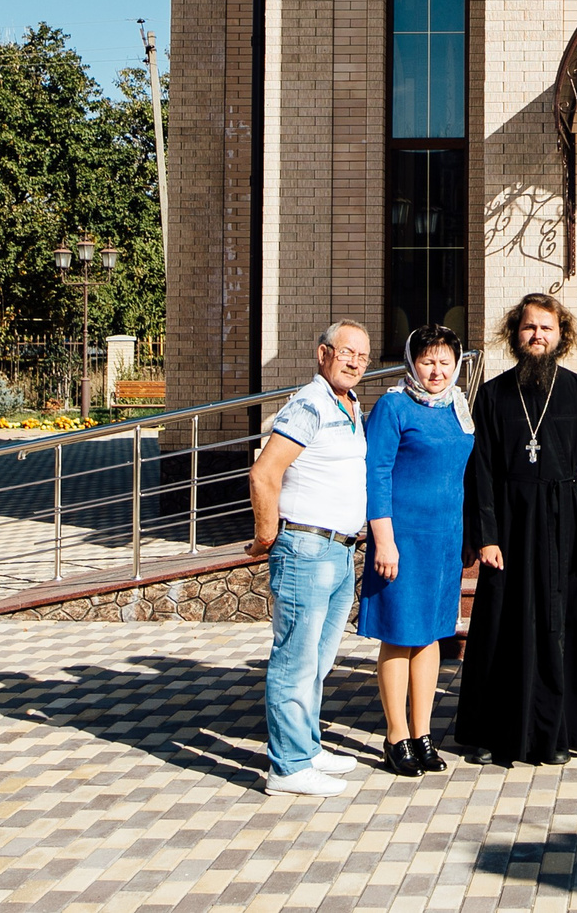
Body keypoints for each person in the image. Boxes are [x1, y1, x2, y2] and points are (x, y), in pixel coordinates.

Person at [453, 293, 577, 766]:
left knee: (559, 622)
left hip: (565, 519)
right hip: (509, 517)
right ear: (514, 334)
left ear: (562, 336)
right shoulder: (495, 393)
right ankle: (491, 731)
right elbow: (479, 469)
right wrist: (486, 535)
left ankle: (556, 733)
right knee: (501, 620)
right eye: (528, 328)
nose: (537, 335)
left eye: (546, 328)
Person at [245, 320, 372, 798]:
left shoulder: (349, 404)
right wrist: (265, 534)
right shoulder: (309, 403)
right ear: (323, 354)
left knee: (317, 661)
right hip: (306, 547)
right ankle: (288, 767)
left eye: (362, 354)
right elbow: (264, 473)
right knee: (295, 659)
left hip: (340, 549)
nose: (355, 361)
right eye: (346, 352)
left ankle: (308, 746)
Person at [360, 324, 474, 777]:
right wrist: (383, 540)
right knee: (400, 633)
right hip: (402, 540)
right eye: (428, 361)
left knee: (430, 634)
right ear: (411, 362)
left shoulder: (459, 408)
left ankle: (422, 732)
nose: (437, 370)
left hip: (444, 540)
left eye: (446, 361)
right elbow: (377, 474)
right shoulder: (393, 405)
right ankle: (395, 736)